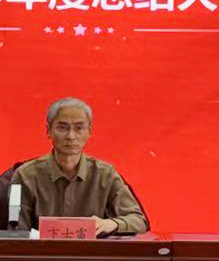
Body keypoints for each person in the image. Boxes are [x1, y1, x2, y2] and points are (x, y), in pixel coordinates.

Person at [8, 97, 149, 235]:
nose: (71, 136)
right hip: (41, 250)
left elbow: (139, 221)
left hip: (92, 250)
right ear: (48, 130)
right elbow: (15, 228)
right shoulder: (24, 176)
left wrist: (110, 224)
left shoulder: (106, 175)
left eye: (79, 128)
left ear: (90, 131)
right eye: (62, 128)